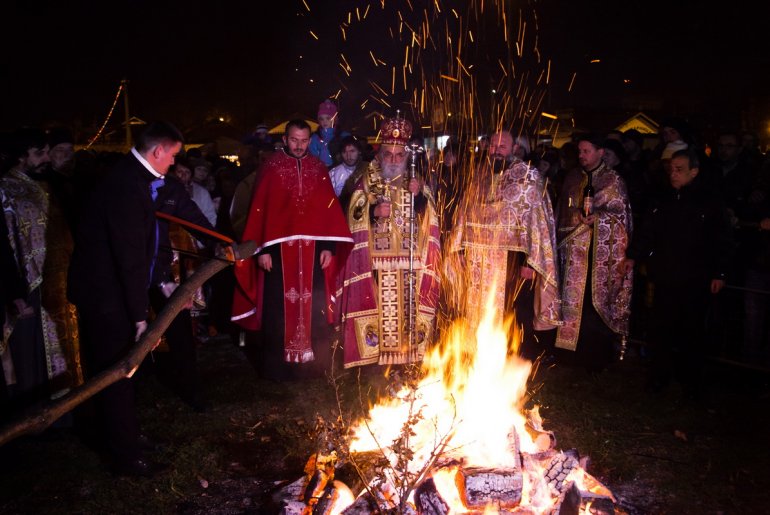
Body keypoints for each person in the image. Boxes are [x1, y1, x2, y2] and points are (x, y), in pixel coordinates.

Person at [67, 121, 184, 477]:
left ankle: (126, 436)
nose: (174, 165)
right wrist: (138, 315)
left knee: (123, 375)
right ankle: (125, 456)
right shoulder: (126, 188)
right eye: (173, 156)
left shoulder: (129, 178)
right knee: (116, 373)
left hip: (109, 292)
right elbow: (129, 257)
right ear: (157, 151)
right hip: (106, 297)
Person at [231, 119, 352, 380]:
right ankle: (277, 370)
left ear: (310, 140)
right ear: (285, 139)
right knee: (277, 312)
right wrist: (261, 250)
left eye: (304, 140)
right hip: (277, 253)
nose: (299, 146)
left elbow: (327, 212)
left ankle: (313, 368)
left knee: (314, 304)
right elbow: (260, 212)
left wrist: (328, 246)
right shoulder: (271, 167)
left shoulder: (318, 168)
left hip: (313, 251)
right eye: (294, 140)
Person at [624, 149, 732, 398]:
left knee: (692, 330)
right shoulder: (662, 198)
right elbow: (648, 231)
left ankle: (691, 380)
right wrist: (634, 255)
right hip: (664, 276)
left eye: (679, 169)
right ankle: (658, 378)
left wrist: (720, 272)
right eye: (671, 169)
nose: (673, 174)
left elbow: (722, 239)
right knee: (660, 329)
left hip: (696, 278)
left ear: (694, 171)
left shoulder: (709, 201)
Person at [337, 116, 441, 369]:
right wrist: (373, 213)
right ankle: (377, 362)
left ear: (406, 155)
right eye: (389, 155)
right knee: (382, 314)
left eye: (398, 155)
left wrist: (418, 199)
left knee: (409, 313)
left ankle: (408, 360)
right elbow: (353, 212)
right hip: (376, 263)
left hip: (411, 262)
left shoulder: (416, 181)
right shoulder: (366, 180)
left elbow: (430, 220)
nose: (394, 160)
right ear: (380, 154)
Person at [449, 130, 561, 360]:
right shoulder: (480, 174)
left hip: (511, 259)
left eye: (502, 145)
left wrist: (529, 261)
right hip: (477, 256)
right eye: (493, 145)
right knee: (478, 306)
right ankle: (478, 353)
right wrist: (459, 248)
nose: (496, 149)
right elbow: (464, 212)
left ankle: (511, 357)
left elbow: (536, 224)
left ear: (516, 149)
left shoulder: (527, 177)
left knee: (513, 309)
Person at [1, 128, 82, 414]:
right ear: (21, 157)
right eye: (40, 153)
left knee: (63, 343)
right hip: (28, 282)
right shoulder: (6, 188)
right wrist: (15, 291)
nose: (46, 158)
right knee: (32, 352)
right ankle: (35, 415)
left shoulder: (48, 184)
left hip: (60, 277)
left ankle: (64, 408)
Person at [554, 134, 633, 372]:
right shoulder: (572, 177)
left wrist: (597, 218)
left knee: (593, 305)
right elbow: (561, 213)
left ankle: (594, 358)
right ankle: (567, 355)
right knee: (569, 303)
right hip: (572, 254)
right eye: (580, 151)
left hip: (599, 256)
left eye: (587, 151)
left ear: (601, 152)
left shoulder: (613, 180)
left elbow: (622, 219)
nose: (582, 156)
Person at [309, 99, 349, 167]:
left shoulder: (344, 136)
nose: (324, 121)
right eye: (321, 119)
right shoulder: (315, 138)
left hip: (341, 172)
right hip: (322, 172)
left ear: (334, 119)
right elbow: (312, 158)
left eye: (328, 118)